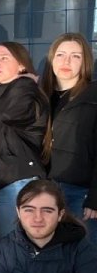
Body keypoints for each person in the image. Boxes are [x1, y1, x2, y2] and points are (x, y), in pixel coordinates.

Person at [0, 41, 48, 240]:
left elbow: (9, 113)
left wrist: (25, 82)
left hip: (16, 185)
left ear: (22, 65)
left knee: (15, 252)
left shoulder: (26, 93)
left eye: (4, 58)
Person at [42, 33, 97, 243]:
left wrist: (95, 198)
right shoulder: (41, 96)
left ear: (85, 62)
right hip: (46, 190)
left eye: (75, 56)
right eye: (61, 55)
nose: (66, 61)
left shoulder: (93, 95)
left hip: (80, 192)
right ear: (51, 59)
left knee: (84, 257)